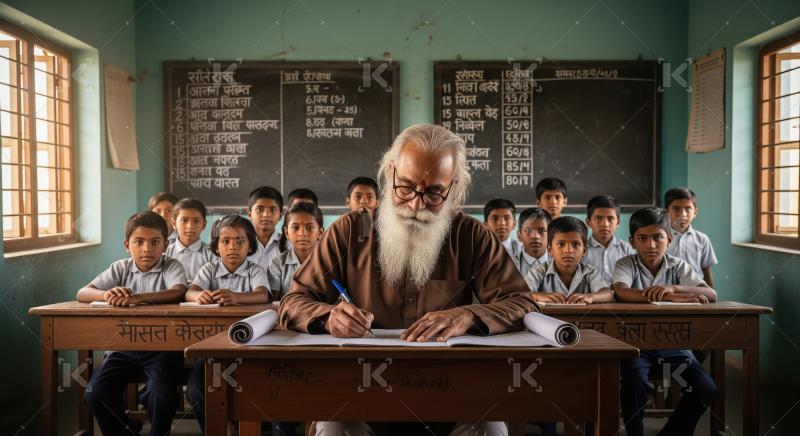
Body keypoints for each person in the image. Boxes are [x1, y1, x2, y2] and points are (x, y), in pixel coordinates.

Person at [279, 124, 536, 436]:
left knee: (492, 429)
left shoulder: (471, 236)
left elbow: (522, 304)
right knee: (334, 428)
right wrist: (328, 317)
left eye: (434, 192)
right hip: (360, 394)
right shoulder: (350, 232)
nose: (416, 205)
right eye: (406, 187)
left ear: (453, 188)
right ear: (390, 174)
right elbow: (293, 302)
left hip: (453, 395)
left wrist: (468, 315)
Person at [77, 211, 187, 436]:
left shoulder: (171, 266)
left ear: (165, 244)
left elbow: (178, 292)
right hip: (122, 347)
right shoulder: (121, 268)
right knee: (95, 392)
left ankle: (159, 432)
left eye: (155, 242)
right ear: (127, 245)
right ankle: (125, 430)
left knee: (160, 394)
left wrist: (138, 297)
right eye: (139, 242)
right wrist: (107, 294)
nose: (147, 249)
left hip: (162, 348)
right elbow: (83, 292)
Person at [613, 207, 717, 436]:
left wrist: (673, 287)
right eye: (643, 238)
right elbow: (621, 292)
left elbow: (711, 294)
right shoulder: (626, 264)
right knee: (634, 382)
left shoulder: (678, 266)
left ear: (668, 240)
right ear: (632, 241)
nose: (650, 245)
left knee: (705, 386)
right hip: (637, 347)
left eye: (657, 237)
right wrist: (670, 297)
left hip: (674, 346)